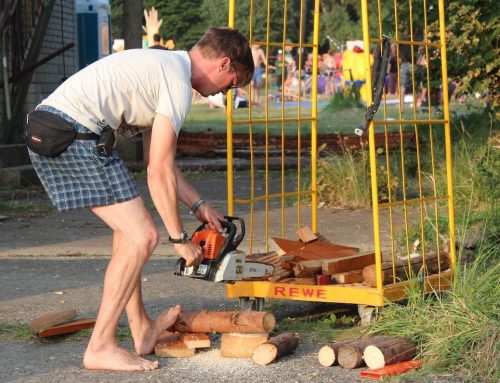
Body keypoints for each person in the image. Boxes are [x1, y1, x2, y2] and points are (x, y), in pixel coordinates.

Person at [27, 27, 254, 372]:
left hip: (71, 132)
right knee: (143, 236)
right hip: (70, 135)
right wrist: (178, 239)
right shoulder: (176, 82)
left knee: (128, 236)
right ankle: (100, 346)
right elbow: (158, 171)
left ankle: (142, 330)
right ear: (224, 64)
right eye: (234, 82)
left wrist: (199, 206)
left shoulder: (166, 68)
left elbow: (158, 161)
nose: (228, 91)